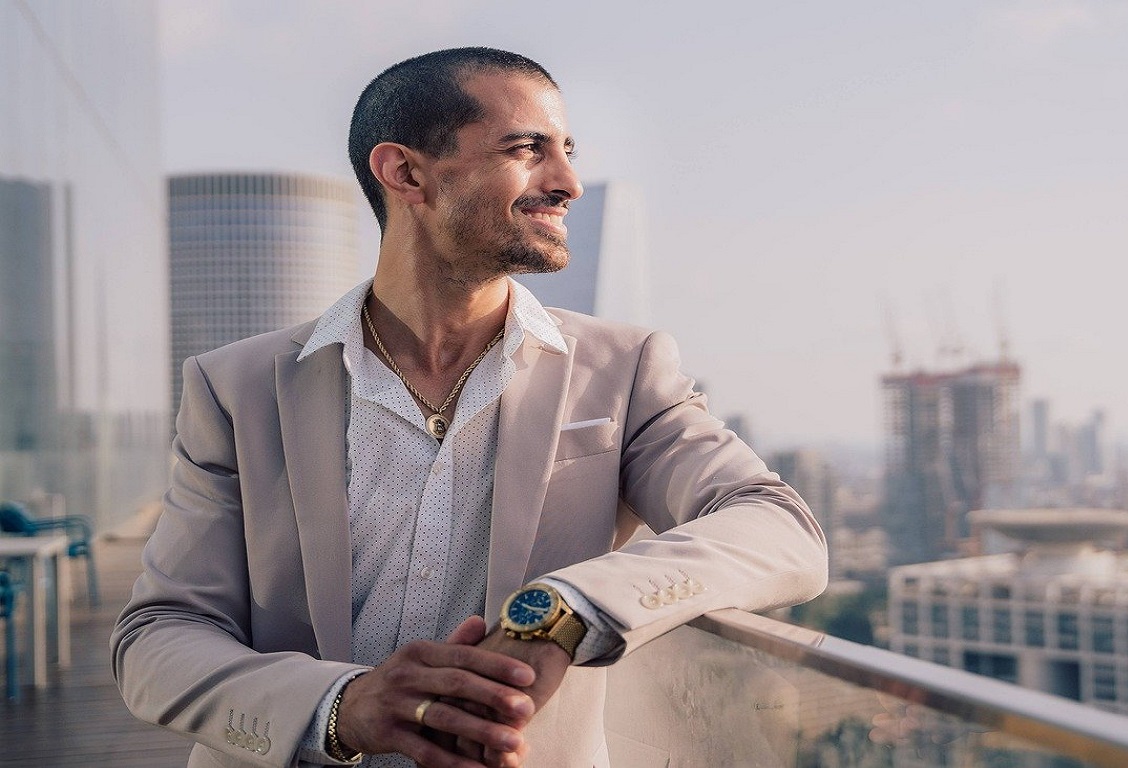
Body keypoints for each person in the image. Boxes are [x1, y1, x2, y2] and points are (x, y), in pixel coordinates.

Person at [113, 47, 826, 768]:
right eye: (527, 149)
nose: (568, 182)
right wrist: (340, 707)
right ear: (405, 173)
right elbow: (159, 636)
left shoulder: (625, 369)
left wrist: (567, 611)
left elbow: (778, 527)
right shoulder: (234, 386)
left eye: (568, 150)